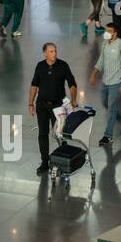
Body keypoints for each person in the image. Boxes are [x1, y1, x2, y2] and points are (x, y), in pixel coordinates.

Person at [29, 44, 78, 175]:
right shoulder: (40, 66)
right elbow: (34, 84)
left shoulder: (63, 65)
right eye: (51, 51)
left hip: (58, 106)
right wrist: (31, 104)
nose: (54, 54)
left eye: (55, 51)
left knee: (60, 134)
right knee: (42, 134)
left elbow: (72, 83)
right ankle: (45, 162)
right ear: (45, 53)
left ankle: (63, 160)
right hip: (42, 105)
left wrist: (73, 99)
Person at [89, 22, 121, 147]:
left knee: (112, 108)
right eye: (106, 30)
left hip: (117, 81)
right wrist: (93, 74)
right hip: (105, 81)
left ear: (115, 33)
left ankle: (107, 136)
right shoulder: (105, 44)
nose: (106, 33)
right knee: (105, 103)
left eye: (109, 31)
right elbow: (101, 61)